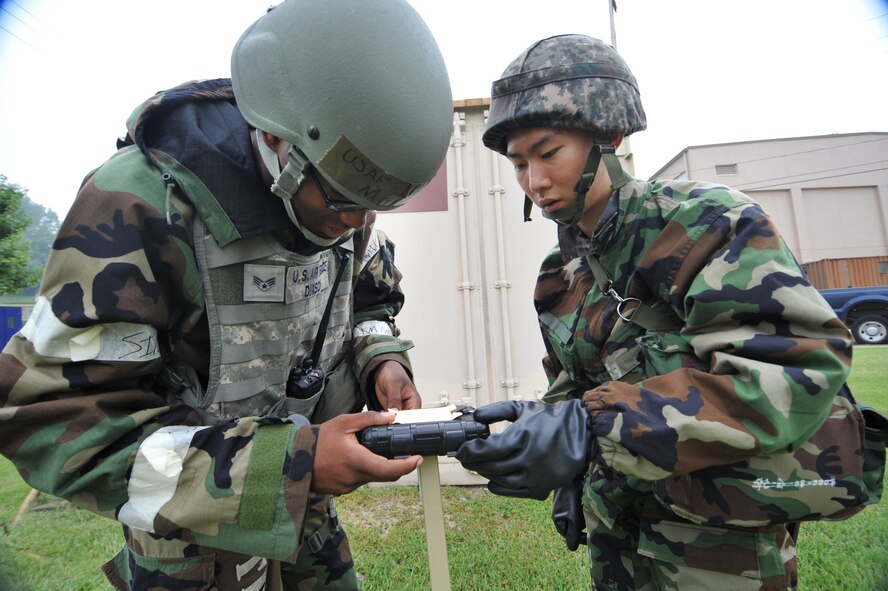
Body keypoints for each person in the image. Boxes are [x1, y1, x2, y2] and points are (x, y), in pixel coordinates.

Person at [0, 0, 452, 589]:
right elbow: (50, 420)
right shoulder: (139, 209)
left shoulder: (338, 194)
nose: (358, 221)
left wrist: (380, 360)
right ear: (275, 136)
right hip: (188, 545)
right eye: (342, 200)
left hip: (303, 518)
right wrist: (294, 461)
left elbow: (369, 301)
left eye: (372, 207)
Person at [456, 34, 860, 591]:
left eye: (549, 154)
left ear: (611, 135)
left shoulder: (706, 224)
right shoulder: (559, 274)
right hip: (617, 533)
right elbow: (577, 385)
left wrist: (591, 429)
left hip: (719, 547)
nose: (535, 181)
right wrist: (553, 437)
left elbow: (792, 370)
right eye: (519, 163)